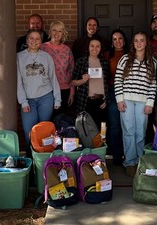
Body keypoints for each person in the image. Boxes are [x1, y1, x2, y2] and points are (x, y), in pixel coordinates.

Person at [114, 31, 157, 177]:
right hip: (126, 100)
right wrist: (119, 99)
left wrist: (150, 103)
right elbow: (118, 80)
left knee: (140, 132)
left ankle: (140, 160)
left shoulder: (153, 61)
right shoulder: (125, 59)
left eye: (142, 40)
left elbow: (153, 85)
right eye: (136, 41)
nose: (139, 43)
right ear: (133, 44)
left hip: (143, 102)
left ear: (146, 43)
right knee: (128, 131)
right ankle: (130, 162)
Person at [17, 29, 61, 157]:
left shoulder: (46, 57)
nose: (34, 41)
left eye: (37, 39)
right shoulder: (19, 57)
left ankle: (43, 160)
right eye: (31, 38)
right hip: (28, 100)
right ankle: (30, 159)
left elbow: (53, 78)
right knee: (28, 132)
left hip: (45, 98)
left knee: (44, 132)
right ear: (27, 40)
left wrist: (57, 99)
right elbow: (18, 81)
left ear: (41, 41)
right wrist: (23, 101)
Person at [71, 37, 109, 128]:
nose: (94, 49)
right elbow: (73, 82)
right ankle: (88, 143)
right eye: (92, 46)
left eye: (97, 46)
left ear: (101, 48)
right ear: (88, 47)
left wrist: (106, 99)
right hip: (85, 101)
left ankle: (101, 143)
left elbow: (106, 84)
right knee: (85, 130)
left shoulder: (104, 63)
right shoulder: (81, 61)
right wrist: (83, 80)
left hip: (101, 102)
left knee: (102, 130)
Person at [40, 20, 75, 118]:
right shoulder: (43, 48)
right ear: (50, 32)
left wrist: (72, 93)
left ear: (63, 34)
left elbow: (71, 72)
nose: (56, 33)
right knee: (47, 119)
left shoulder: (67, 50)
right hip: (47, 90)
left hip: (64, 89)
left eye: (60, 31)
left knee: (60, 119)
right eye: (54, 30)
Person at [107, 29, 129, 165]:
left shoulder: (130, 55)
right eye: (114, 39)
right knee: (115, 124)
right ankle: (116, 154)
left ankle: (129, 153)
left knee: (128, 125)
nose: (118, 42)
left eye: (120, 38)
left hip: (128, 91)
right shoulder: (108, 56)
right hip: (112, 91)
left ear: (124, 41)